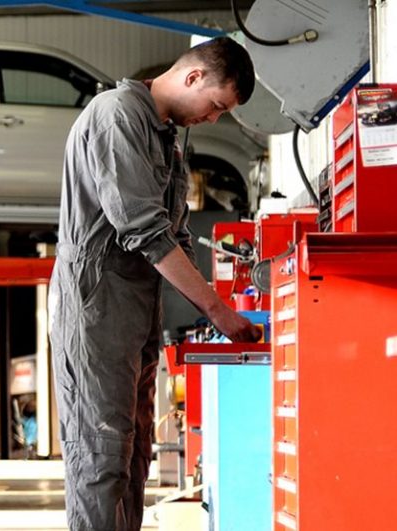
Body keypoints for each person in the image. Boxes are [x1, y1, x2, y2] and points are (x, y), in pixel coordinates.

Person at [48, 36, 262, 531]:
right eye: (216, 106)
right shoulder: (117, 116)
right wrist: (217, 311)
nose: (213, 119)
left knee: (134, 452)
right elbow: (143, 229)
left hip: (135, 307)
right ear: (193, 76)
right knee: (101, 452)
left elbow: (176, 236)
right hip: (95, 303)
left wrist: (212, 307)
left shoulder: (165, 136)